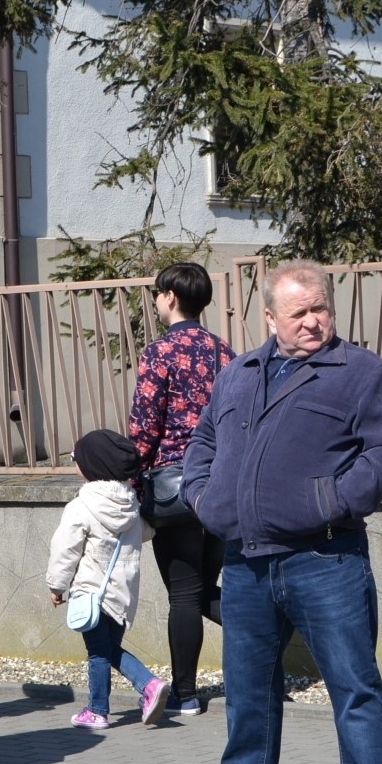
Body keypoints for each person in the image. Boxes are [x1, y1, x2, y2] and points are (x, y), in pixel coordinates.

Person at [173, 260, 382, 764]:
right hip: (246, 562)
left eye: (320, 309)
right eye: (298, 313)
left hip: (326, 560)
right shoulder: (238, 375)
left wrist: (332, 500)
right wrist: (203, 497)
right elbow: (202, 442)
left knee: (353, 685)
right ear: (270, 317)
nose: (312, 322)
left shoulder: (358, 371)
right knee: (248, 686)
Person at [127, 262, 235, 715]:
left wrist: (132, 480)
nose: (156, 300)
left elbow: (144, 426)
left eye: (157, 293)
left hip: (174, 486)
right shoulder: (224, 352)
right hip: (221, 482)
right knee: (207, 586)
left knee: (185, 594)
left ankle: (185, 695)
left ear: (170, 295)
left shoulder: (159, 352)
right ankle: (268, 638)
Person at [47, 430, 170, 730]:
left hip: (92, 592)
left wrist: (56, 585)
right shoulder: (130, 506)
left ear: (92, 466)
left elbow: (65, 549)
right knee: (108, 649)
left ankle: (112, 702)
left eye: (77, 459)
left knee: (99, 652)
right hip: (122, 594)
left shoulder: (81, 507)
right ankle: (139, 694)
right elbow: (146, 533)